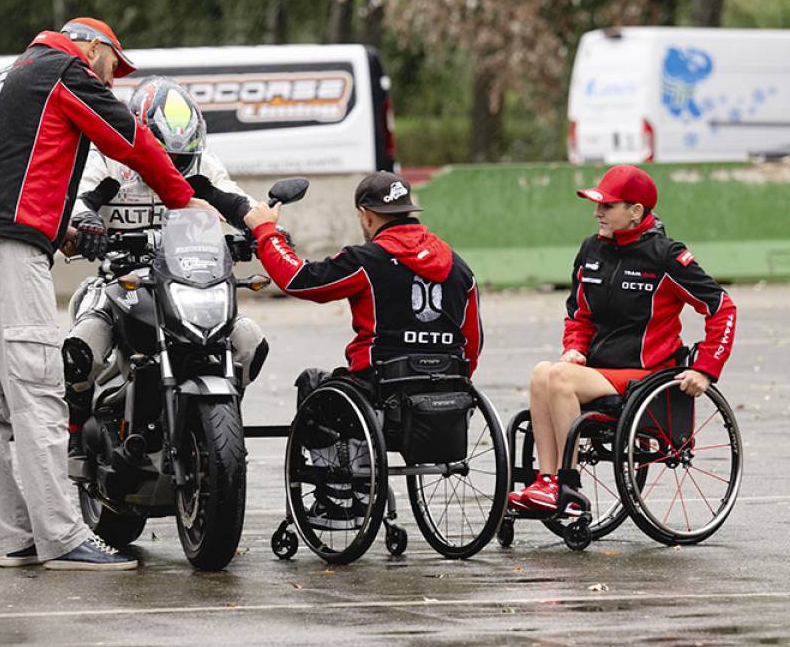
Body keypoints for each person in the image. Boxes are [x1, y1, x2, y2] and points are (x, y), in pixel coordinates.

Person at [0, 17, 209, 571]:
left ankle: (13, 541)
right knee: (39, 390)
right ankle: (64, 539)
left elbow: (8, 169)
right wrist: (185, 202)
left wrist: (57, 226)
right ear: (94, 46)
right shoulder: (66, 70)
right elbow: (133, 142)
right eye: (114, 65)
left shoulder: (1, 81)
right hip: (8, 251)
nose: (112, 81)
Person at [509, 165, 737, 514]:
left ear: (636, 212)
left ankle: (568, 488)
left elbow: (722, 308)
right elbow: (578, 315)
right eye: (597, 204)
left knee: (557, 376)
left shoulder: (667, 256)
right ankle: (547, 482)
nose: (598, 211)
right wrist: (574, 347)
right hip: (599, 370)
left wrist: (705, 369)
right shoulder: (590, 250)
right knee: (543, 371)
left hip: (647, 375)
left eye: (608, 205)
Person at [63, 77, 267, 447]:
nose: (172, 166)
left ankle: (222, 420)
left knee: (250, 343)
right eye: (163, 154)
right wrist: (86, 221)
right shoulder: (109, 159)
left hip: (191, 282)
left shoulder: (203, 164)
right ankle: (75, 430)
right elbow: (75, 199)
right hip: (119, 283)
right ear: (140, 138)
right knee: (82, 349)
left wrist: (265, 231)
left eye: (181, 157)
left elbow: (239, 202)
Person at [242, 170, 482, 381]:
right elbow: (473, 342)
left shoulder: (366, 261)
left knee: (312, 384)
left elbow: (299, 280)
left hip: (379, 382)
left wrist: (266, 232)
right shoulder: (459, 267)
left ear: (366, 216)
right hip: (448, 382)